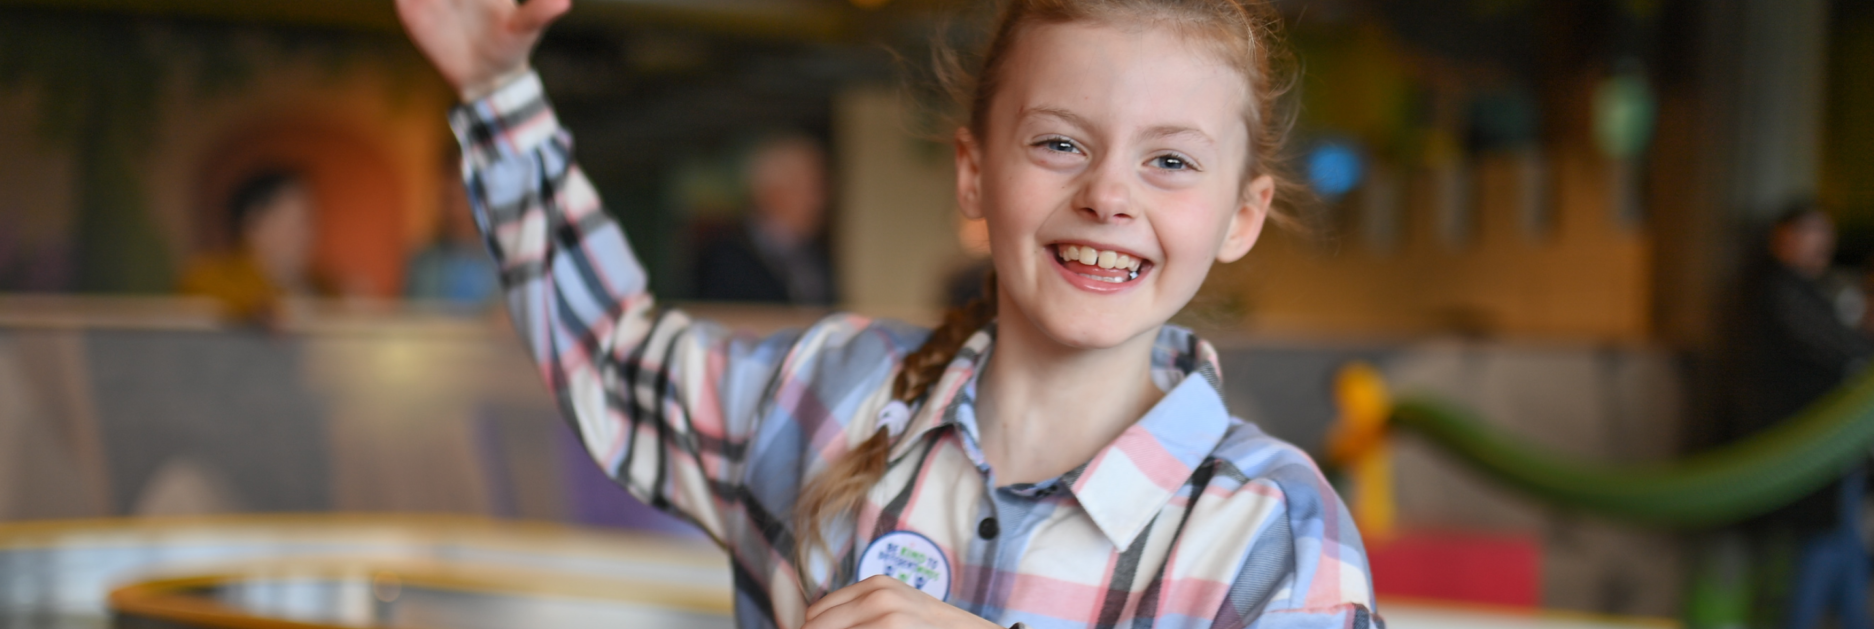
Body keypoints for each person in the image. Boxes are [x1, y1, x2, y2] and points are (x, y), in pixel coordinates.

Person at [396, 0, 1377, 627]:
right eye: (1057, 144)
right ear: (973, 174)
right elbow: (612, 356)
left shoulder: (1270, 528)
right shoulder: (825, 395)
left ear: (1240, 215)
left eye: (1168, 160)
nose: (1108, 195)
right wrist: (496, 93)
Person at [1733, 203, 1871, 629]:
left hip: (1830, 449)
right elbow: (1836, 346)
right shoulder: (1782, 293)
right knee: (1822, 545)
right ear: (1784, 239)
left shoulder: (1816, 291)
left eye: (1824, 234)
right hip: (1806, 448)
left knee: (1843, 544)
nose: (1821, 243)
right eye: (1810, 232)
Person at [694, 134, 838, 305]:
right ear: (772, 191)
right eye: (808, 188)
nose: (819, 201)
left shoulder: (815, 256)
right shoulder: (727, 258)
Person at [179, 170, 320, 323]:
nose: (307, 234)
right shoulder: (211, 277)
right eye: (298, 222)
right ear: (254, 222)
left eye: (310, 222)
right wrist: (254, 310)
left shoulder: (320, 284)